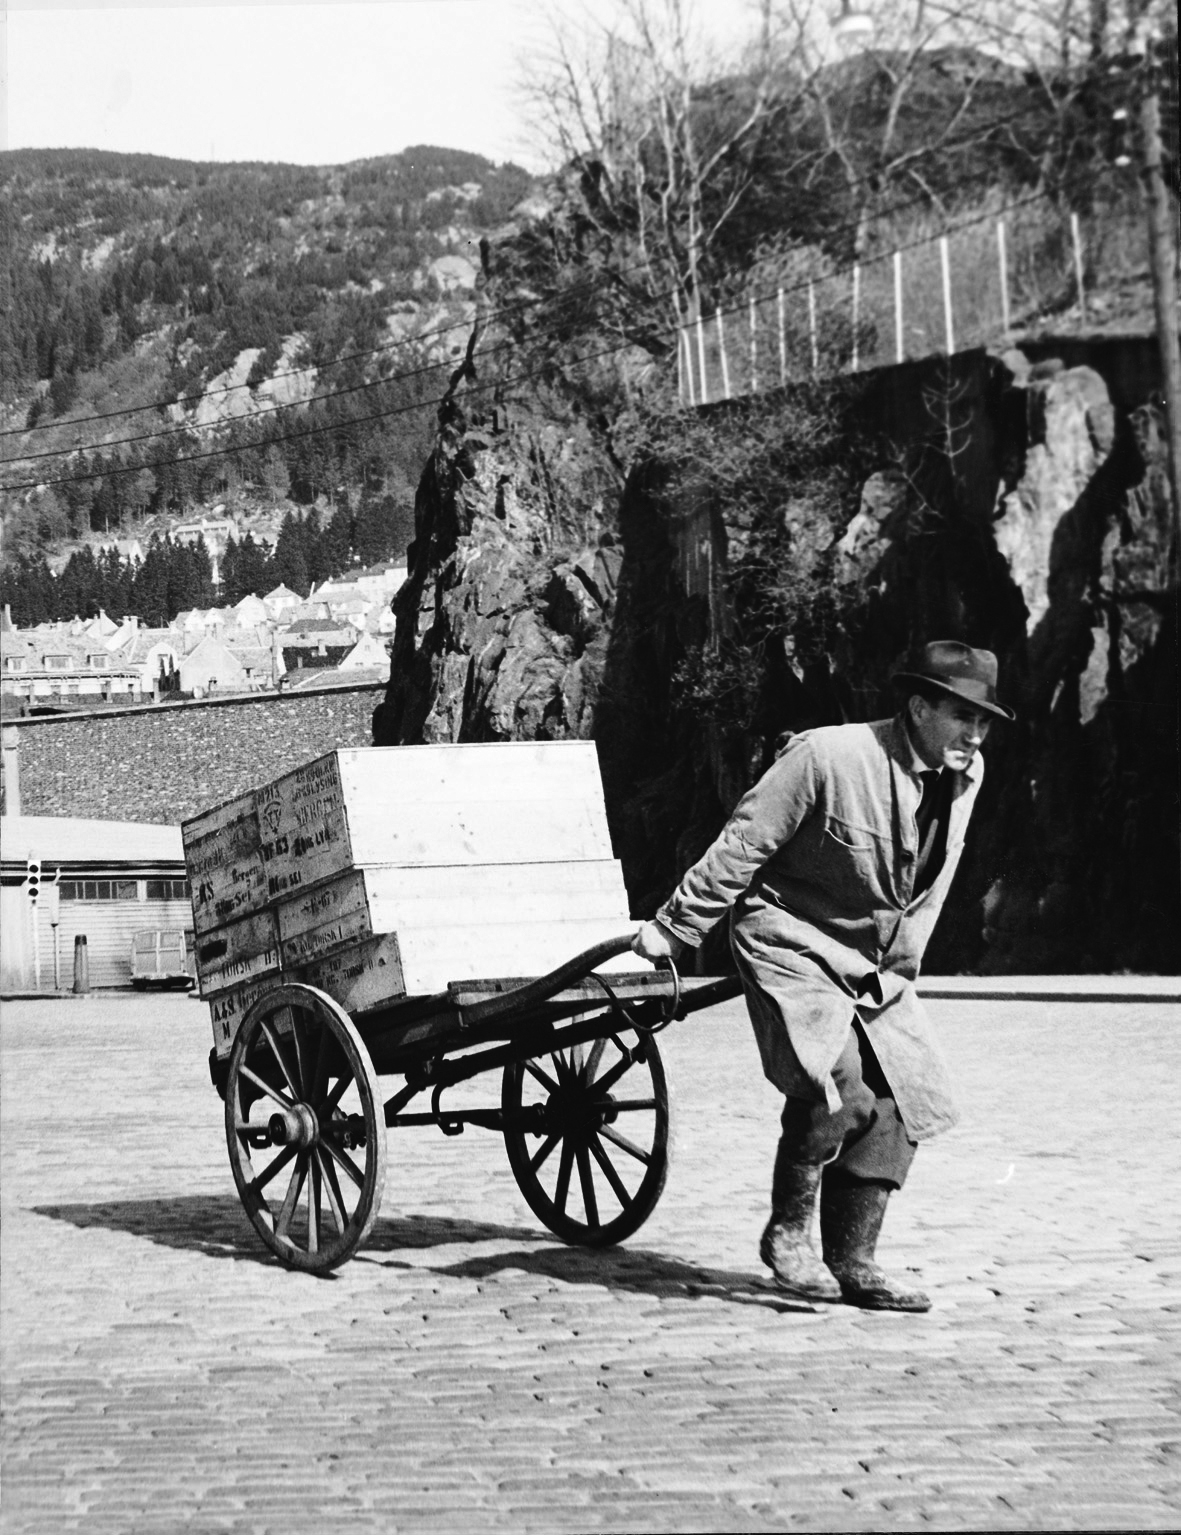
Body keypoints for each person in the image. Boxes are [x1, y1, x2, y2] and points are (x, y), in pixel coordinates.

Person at [632, 640, 1013, 1312]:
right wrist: (674, 926)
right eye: (961, 716)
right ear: (919, 705)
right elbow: (744, 841)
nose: (973, 735)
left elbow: (921, 883)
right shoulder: (825, 755)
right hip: (787, 937)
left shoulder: (966, 777)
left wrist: (900, 969)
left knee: (901, 1098)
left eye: (982, 722)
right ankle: (787, 1232)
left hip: (868, 962)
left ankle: (855, 1260)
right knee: (837, 1086)